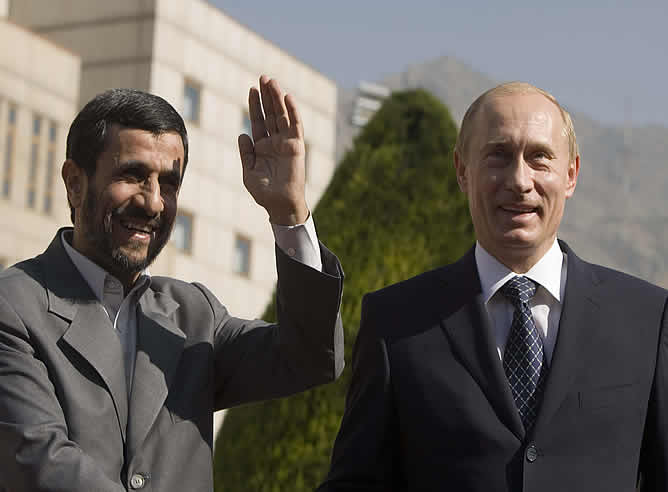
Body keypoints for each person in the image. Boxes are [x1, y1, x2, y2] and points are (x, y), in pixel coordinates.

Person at [318, 82, 668, 491]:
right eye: (498, 155)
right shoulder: (397, 323)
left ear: (570, 174)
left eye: (540, 157)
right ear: (462, 171)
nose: (520, 181)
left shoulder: (646, 318)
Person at [0, 76, 344, 492]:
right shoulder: (15, 305)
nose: (153, 202)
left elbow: (311, 356)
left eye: (169, 183)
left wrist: (290, 213)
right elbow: (41, 463)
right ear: (75, 181)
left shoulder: (195, 313)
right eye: (133, 174)